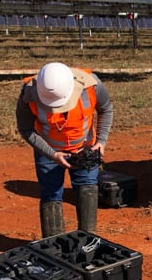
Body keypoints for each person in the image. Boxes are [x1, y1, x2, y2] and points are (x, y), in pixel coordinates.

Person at [16, 62, 114, 237]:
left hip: (85, 149)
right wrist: (52, 154)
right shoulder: (28, 93)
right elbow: (26, 129)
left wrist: (101, 142)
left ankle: (88, 242)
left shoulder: (92, 85)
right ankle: (53, 245)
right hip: (48, 151)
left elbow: (106, 110)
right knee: (51, 195)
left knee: (87, 188)